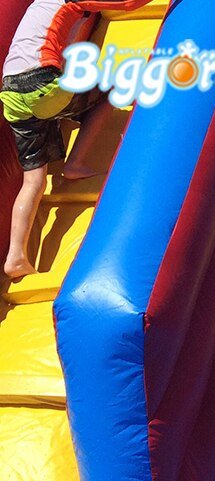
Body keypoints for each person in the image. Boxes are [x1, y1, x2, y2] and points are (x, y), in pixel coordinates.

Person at [1, 0, 129, 280]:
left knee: (33, 181)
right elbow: (126, 3)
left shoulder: (38, 7)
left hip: (11, 93)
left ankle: (15, 257)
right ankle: (74, 164)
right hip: (40, 84)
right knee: (109, 92)